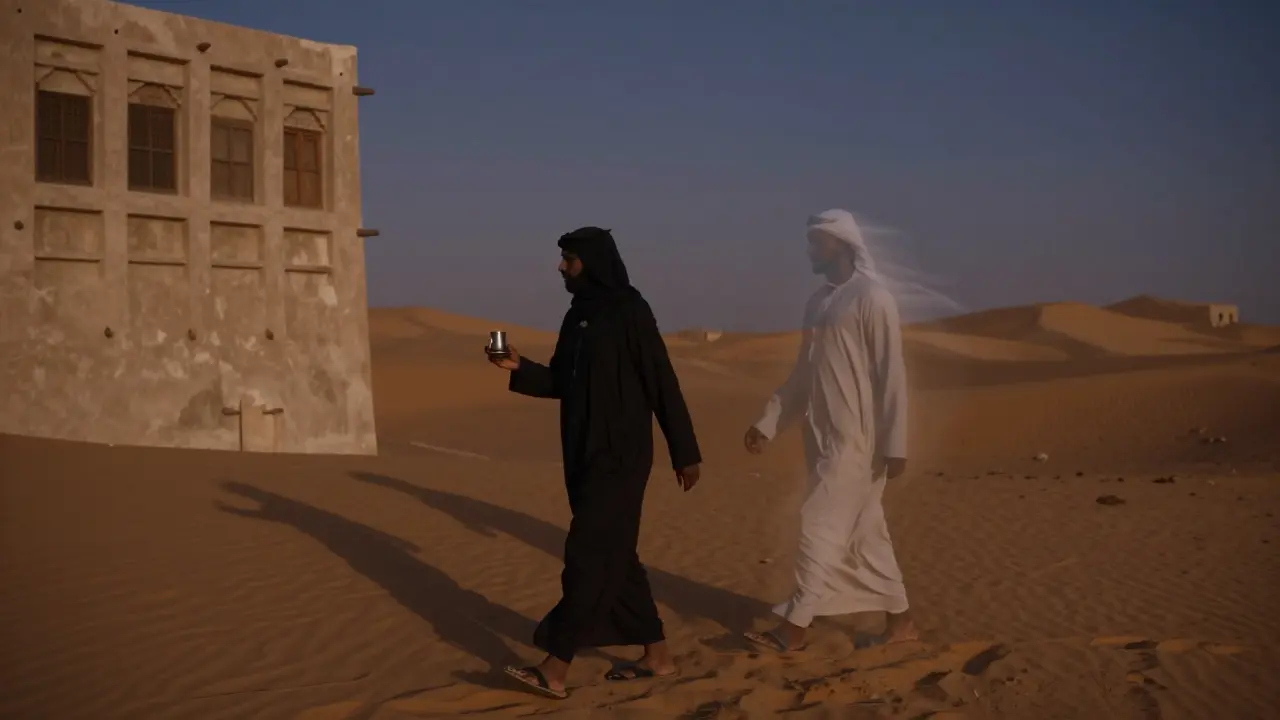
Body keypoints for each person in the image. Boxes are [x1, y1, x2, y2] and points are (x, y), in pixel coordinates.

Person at [487, 226, 703, 699]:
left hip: (622, 455)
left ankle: (556, 664)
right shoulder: (577, 316)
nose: (562, 267)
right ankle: (658, 656)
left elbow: (661, 379)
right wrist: (520, 368)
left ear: (594, 261)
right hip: (582, 453)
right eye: (563, 258)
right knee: (618, 557)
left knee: (587, 555)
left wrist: (684, 451)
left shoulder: (630, 310)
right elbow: (564, 381)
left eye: (570, 259)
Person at [742, 208, 919, 653]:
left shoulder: (872, 298)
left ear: (840, 243)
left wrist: (895, 444)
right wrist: (768, 423)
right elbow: (804, 374)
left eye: (817, 243)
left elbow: (891, 373)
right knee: (865, 534)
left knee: (817, 523)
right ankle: (902, 625)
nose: (810, 251)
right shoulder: (819, 302)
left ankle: (794, 628)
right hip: (822, 440)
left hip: (860, 443)